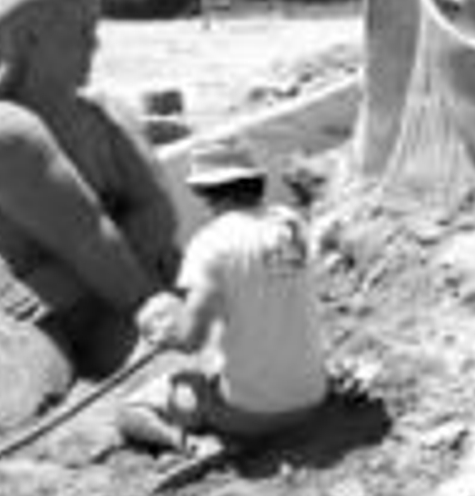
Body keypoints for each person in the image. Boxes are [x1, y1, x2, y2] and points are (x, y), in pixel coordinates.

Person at [0, 0, 178, 373]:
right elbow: (87, 235)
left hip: (97, 293)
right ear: (28, 40)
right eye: (80, 32)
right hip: (22, 308)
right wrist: (142, 298)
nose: (94, 45)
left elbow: (161, 216)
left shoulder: (108, 113)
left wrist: (68, 282)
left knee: (181, 361)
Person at [117, 137, 327, 454]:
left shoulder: (211, 243)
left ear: (204, 192)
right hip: (313, 397)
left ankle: (188, 445)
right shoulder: (291, 222)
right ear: (255, 181)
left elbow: (190, 341)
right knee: (226, 351)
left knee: (132, 410)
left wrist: (160, 335)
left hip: (254, 413)